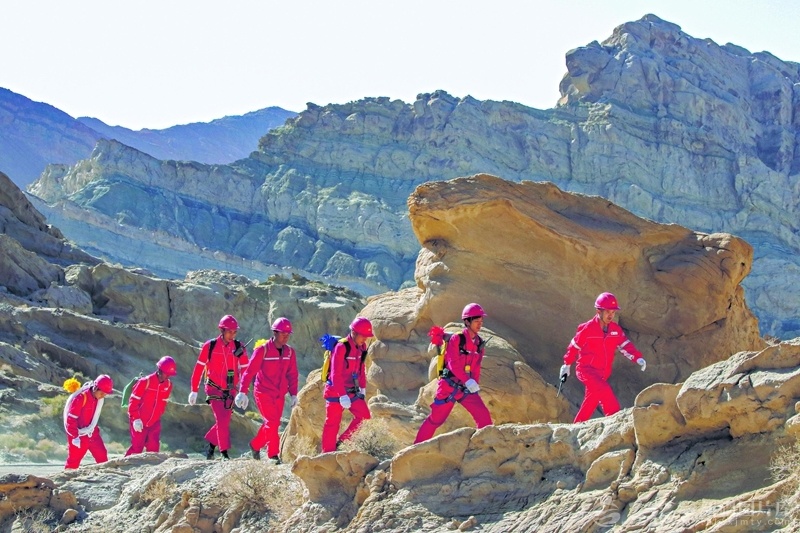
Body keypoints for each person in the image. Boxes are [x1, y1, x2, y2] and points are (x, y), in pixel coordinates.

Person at [560, 292, 647, 423]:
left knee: (590, 402)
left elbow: (625, 345)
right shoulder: (587, 328)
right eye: (607, 312)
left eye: (613, 312)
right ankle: (615, 421)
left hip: (603, 373)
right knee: (605, 392)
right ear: (598, 311)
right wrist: (566, 365)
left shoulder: (615, 330)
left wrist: (637, 358)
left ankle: (576, 427)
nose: (610, 315)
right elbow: (574, 346)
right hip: (586, 370)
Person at [414, 303, 493, 444]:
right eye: (476, 321)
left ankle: (484, 447)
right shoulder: (457, 339)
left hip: (466, 388)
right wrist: (468, 381)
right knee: (436, 420)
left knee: (484, 416)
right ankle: (416, 447)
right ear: (467, 322)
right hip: (448, 387)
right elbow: (452, 363)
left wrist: (474, 382)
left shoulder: (479, 343)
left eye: (481, 321)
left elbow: (476, 367)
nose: (479, 325)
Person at [236, 317, 299, 463]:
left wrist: (294, 393)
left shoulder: (290, 352)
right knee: (272, 422)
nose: (286, 336)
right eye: (283, 333)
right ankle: (273, 455)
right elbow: (249, 372)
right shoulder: (262, 350)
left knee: (272, 423)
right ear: (275, 333)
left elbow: (292, 374)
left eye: (288, 334)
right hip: (263, 392)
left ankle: (255, 445)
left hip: (279, 394)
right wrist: (242, 392)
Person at [189, 314, 249, 459]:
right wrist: (194, 390)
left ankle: (210, 447)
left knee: (224, 421)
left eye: (235, 332)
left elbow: (246, 370)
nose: (232, 335)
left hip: (231, 389)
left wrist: (244, 391)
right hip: (213, 387)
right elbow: (198, 368)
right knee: (221, 420)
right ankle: (224, 453)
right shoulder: (210, 346)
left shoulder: (239, 347)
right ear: (222, 330)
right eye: (230, 331)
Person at [321, 316, 373, 453]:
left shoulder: (362, 346)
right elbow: (335, 374)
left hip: (351, 391)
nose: (365, 339)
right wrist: (342, 395)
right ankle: (327, 454)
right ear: (354, 332)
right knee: (332, 424)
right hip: (335, 391)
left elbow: (361, 369)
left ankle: (342, 443)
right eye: (364, 336)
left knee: (365, 417)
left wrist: (362, 388)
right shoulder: (341, 347)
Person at [125, 356, 177, 456]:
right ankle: (123, 466)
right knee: (137, 449)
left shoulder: (169, 385)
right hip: (139, 421)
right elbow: (133, 401)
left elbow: (163, 403)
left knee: (153, 450)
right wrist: (135, 419)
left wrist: (158, 414)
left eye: (170, 375)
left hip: (154, 423)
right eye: (167, 374)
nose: (168, 377)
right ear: (160, 370)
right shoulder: (145, 382)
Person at [63, 374, 114, 469]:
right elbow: (71, 419)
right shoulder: (81, 398)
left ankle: (105, 478)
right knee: (74, 460)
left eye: (105, 394)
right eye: (102, 393)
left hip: (92, 432)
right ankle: (66, 480)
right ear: (95, 388)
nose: (103, 396)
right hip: (77, 435)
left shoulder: (98, 399)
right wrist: (74, 436)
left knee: (102, 455)